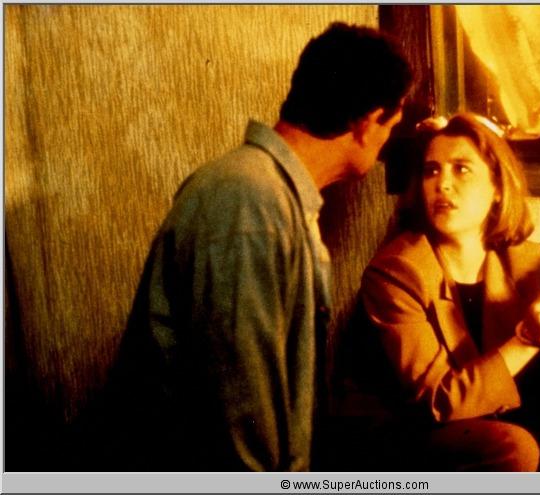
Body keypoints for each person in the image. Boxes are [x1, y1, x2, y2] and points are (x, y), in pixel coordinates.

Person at [101, 22, 413, 472]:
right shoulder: (250, 202)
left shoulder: (272, 195)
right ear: (367, 122)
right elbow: (239, 420)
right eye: (392, 126)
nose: (387, 143)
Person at [358, 113, 540, 471]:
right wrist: (526, 339)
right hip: (417, 435)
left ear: (497, 189)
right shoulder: (397, 272)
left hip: (502, 422)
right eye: (432, 170)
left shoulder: (525, 259)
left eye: (461, 169)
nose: (443, 184)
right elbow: (436, 401)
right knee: (513, 446)